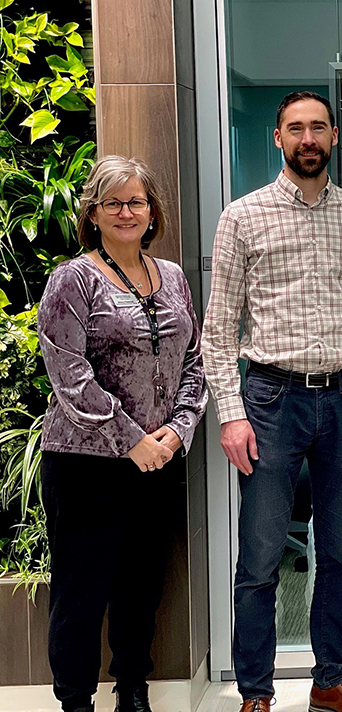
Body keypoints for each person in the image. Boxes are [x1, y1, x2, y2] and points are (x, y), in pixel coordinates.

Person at [202, 91, 342, 712]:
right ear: (278, 139)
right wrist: (231, 415)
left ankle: (330, 681)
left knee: (339, 552)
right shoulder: (243, 215)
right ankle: (255, 693)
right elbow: (217, 329)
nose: (307, 138)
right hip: (269, 400)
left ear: (334, 137)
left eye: (318, 128)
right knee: (259, 556)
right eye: (295, 128)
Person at [38, 156, 207, 712]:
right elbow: (68, 373)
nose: (126, 212)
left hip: (159, 458)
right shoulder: (72, 279)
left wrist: (176, 433)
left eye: (136, 201)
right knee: (82, 589)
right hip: (88, 461)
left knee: (141, 582)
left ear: (153, 211)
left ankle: (132, 687)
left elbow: (196, 362)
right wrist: (133, 439)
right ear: (94, 212)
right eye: (113, 202)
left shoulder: (174, 276)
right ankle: (75, 701)